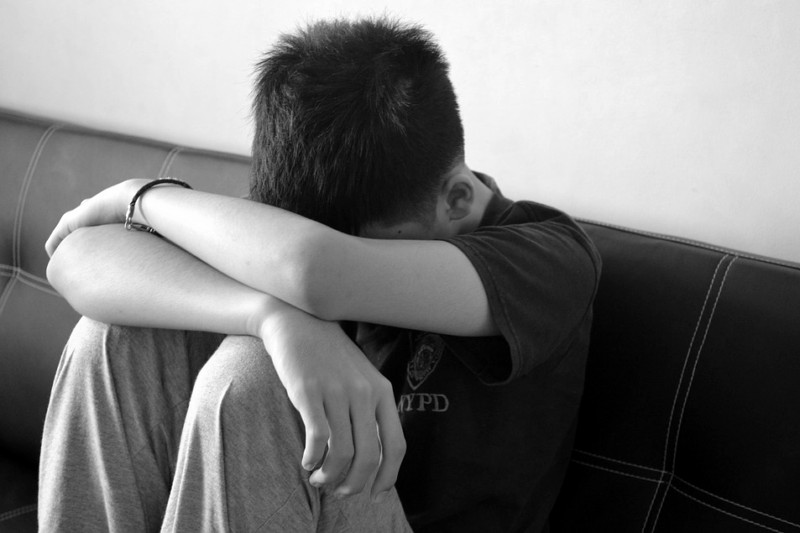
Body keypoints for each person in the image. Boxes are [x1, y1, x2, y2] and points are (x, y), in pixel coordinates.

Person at [39, 17, 601, 533]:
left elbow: (314, 270)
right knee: (115, 337)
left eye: (360, 245)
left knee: (252, 378)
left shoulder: (549, 258)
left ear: (456, 200)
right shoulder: (319, 208)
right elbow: (75, 259)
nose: (300, 247)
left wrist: (140, 195)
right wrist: (271, 316)